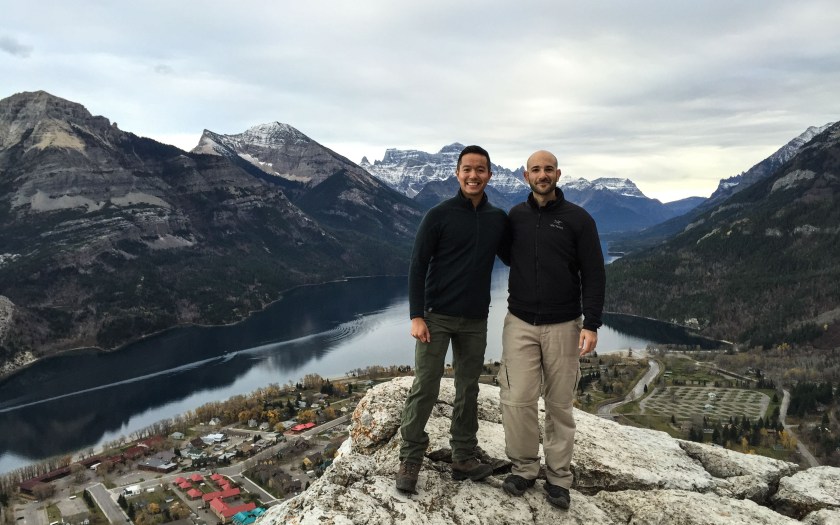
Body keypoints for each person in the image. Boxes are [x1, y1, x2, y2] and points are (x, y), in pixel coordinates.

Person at [396, 144, 510, 494]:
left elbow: (515, 256)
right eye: (467, 169)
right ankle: (411, 457)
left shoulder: (497, 219)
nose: (473, 175)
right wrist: (417, 315)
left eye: (480, 169)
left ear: (490, 175)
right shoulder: (439, 215)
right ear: (457, 173)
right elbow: (417, 266)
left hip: (475, 319)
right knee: (425, 386)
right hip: (436, 317)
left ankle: (463, 454)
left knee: (469, 388)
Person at [499, 150, 605, 509]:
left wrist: (591, 323)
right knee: (517, 399)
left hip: (564, 324)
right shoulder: (515, 217)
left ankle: (559, 478)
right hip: (519, 322)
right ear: (525, 176)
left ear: (558, 174)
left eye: (548, 169)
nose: (542, 175)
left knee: (559, 404)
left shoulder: (578, 219)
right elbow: (502, 254)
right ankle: (525, 468)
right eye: (535, 170)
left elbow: (594, 273)